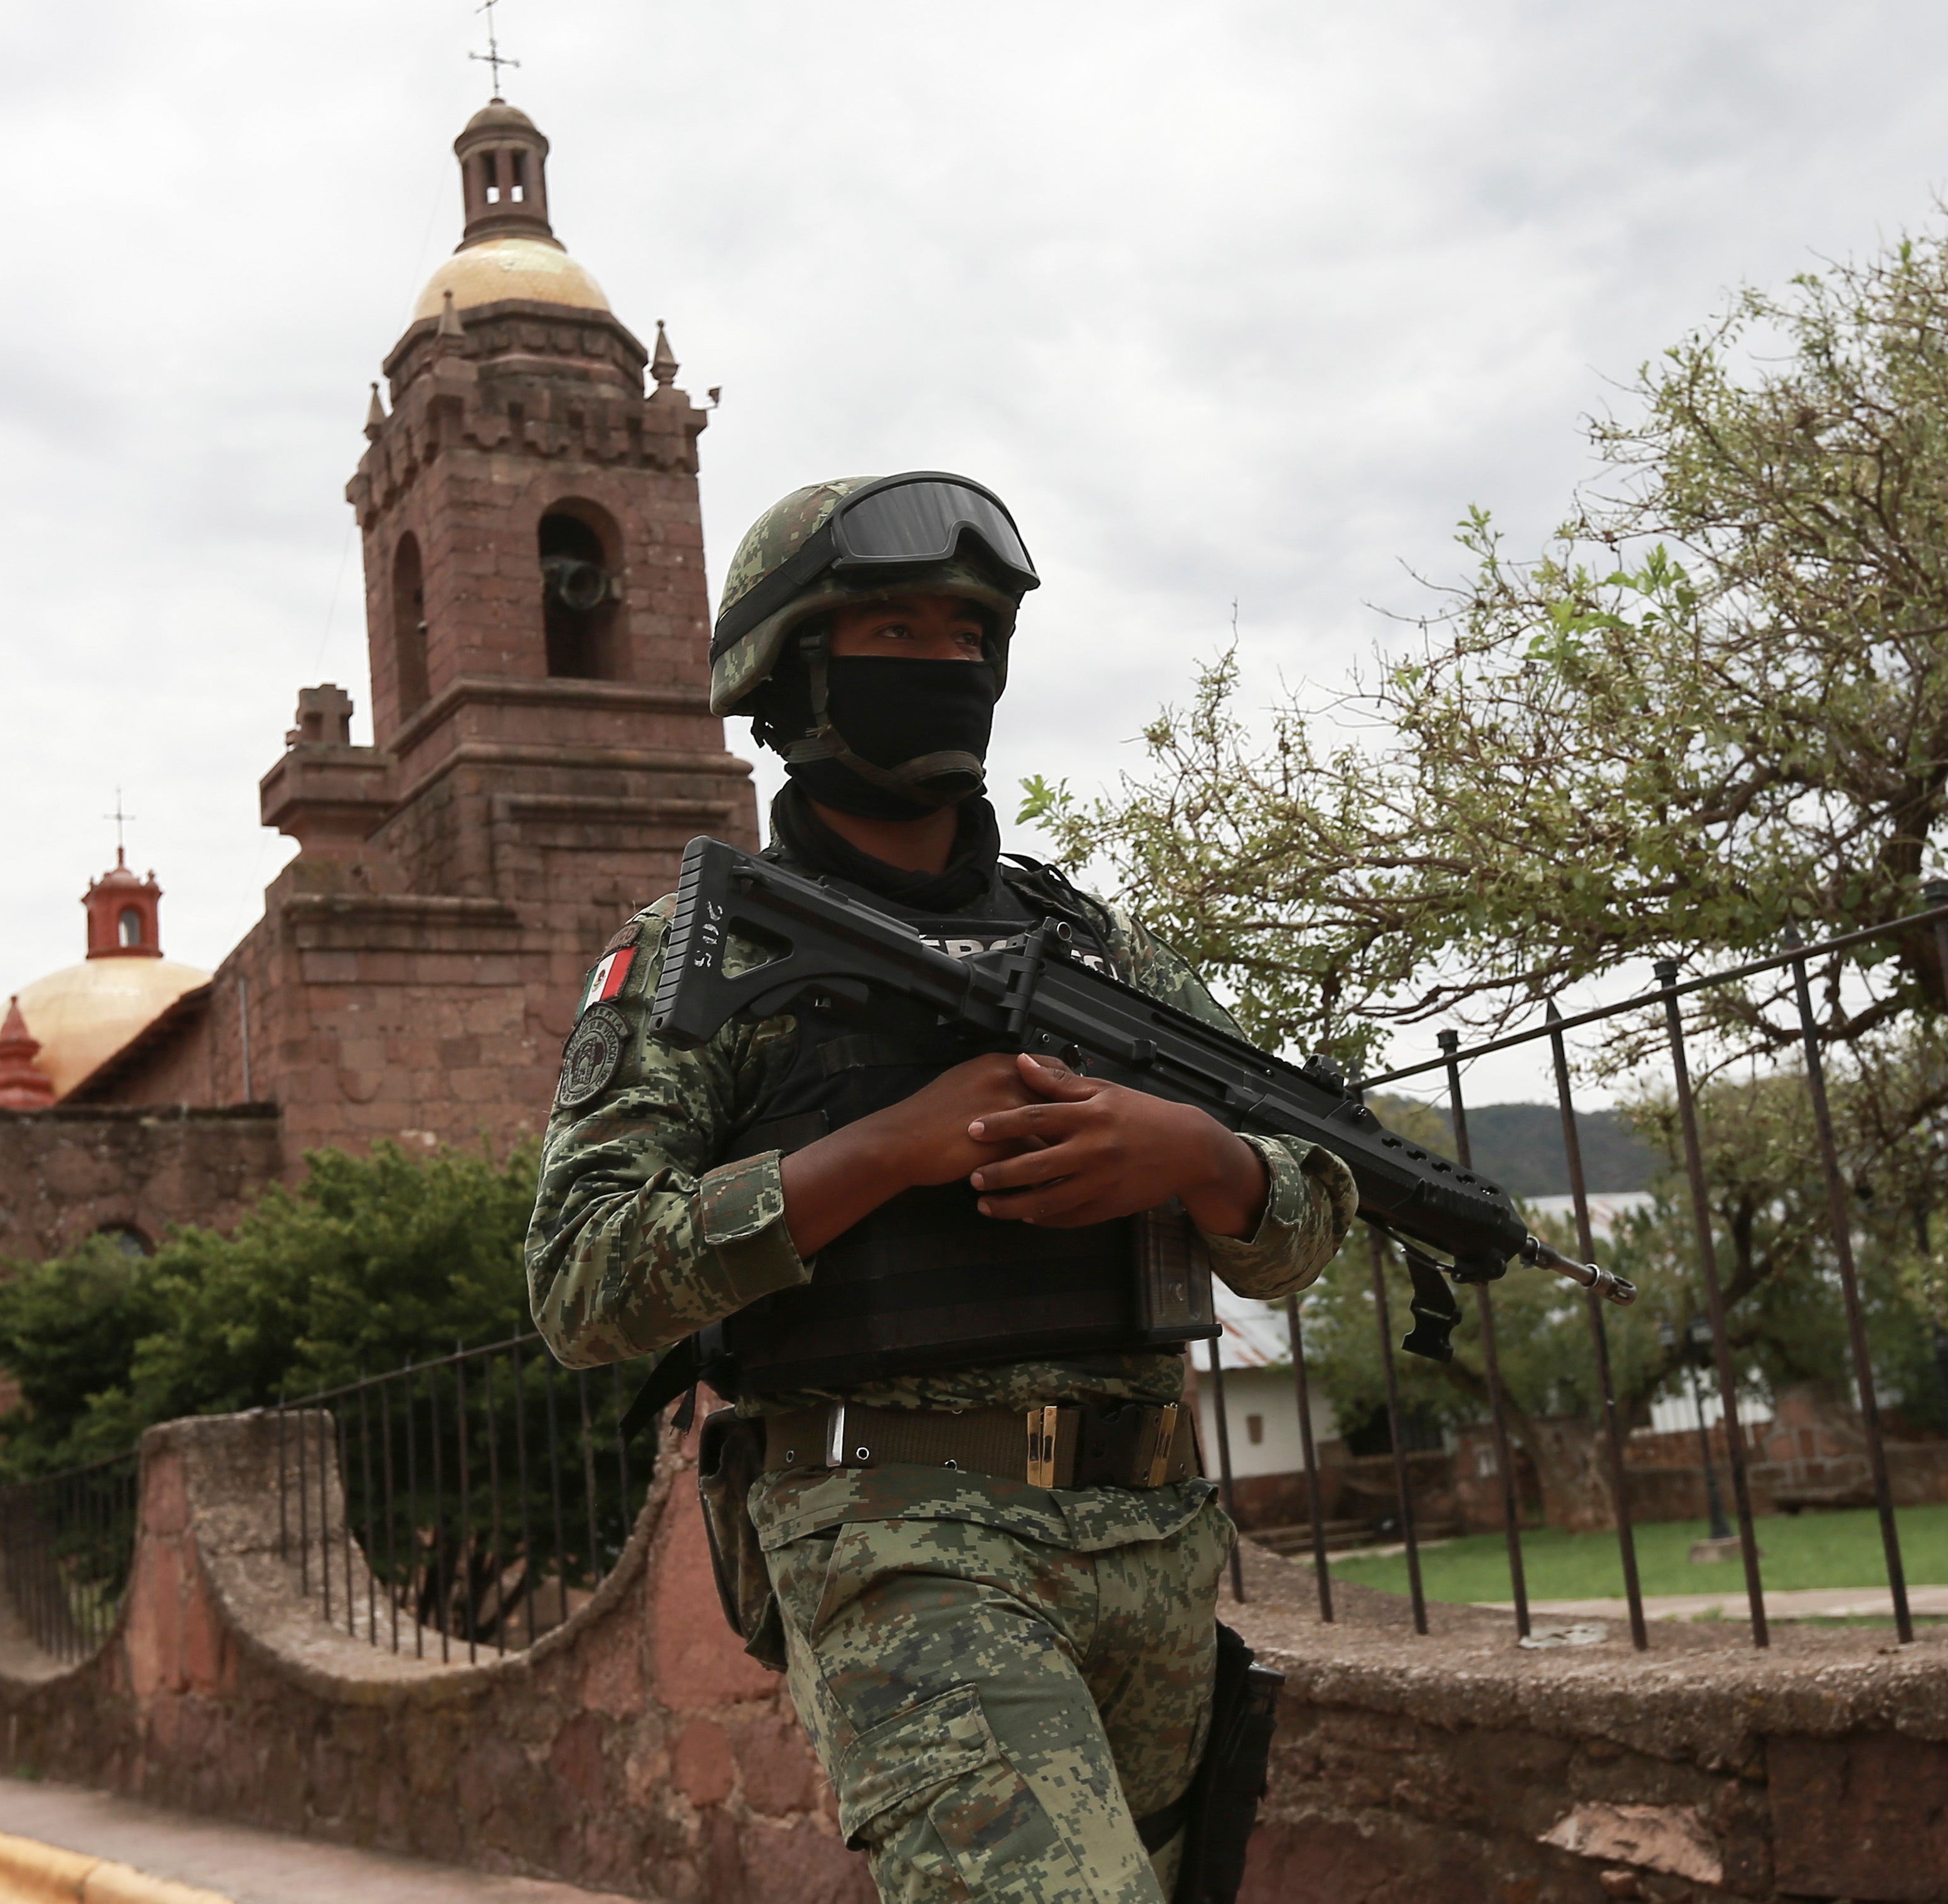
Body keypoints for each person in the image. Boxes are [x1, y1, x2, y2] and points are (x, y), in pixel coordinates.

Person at [529, 473, 1353, 1903]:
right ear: (792, 668)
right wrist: (884, 1151)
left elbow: (1304, 1216)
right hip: (896, 1528)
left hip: (1153, 1536)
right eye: (897, 626)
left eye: (972, 631)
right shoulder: (692, 960)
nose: (949, 660)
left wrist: (1203, 1160)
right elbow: (582, 1281)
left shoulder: (1100, 957)